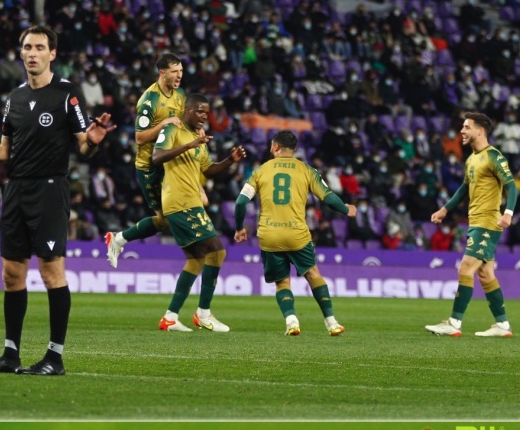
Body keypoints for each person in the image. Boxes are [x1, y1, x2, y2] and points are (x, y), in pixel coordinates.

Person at [0, 25, 115, 376]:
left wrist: (94, 140)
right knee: (11, 275)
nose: (32, 53)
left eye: (39, 47)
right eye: (27, 47)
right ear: (21, 53)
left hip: (50, 189)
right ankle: (10, 354)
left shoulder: (67, 94)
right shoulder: (15, 98)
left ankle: (55, 356)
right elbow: (4, 151)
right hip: (16, 189)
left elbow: (83, 144)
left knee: (51, 272)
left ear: (52, 54)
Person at [233, 131, 357, 337]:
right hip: (297, 233)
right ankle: (332, 322)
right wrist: (346, 209)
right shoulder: (306, 170)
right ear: (294, 150)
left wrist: (239, 228)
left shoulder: (260, 171)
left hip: (269, 234)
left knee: (282, 281)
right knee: (313, 273)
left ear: (275, 147)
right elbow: (328, 198)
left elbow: (240, 202)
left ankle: (291, 321)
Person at [151, 93, 246, 332]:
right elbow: (156, 157)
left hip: (191, 201)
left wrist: (230, 160)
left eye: (207, 112)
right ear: (188, 110)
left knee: (195, 260)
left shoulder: (198, 137)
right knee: (217, 251)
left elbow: (209, 170)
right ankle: (203, 314)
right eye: (200, 111)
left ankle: (170, 317)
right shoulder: (173, 129)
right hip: (180, 201)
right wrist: (189, 145)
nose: (205, 116)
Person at [426, 112, 517, 338]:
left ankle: (454, 322)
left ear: (480, 130)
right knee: (485, 275)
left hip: (488, 221)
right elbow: (464, 189)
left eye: (466, 127)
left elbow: (512, 186)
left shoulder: (494, 156)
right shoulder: (471, 159)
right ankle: (502, 325)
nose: (462, 132)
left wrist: (508, 213)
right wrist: (444, 209)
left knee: (465, 268)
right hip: (475, 222)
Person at [104, 53, 185, 268]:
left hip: (170, 161)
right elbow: (139, 138)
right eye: (175, 72)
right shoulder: (149, 100)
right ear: (162, 73)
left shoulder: (180, 95)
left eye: (181, 71)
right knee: (164, 220)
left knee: (197, 200)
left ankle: (119, 239)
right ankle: (119, 238)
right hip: (149, 166)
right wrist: (165, 123)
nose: (179, 76)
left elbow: (181, 123)